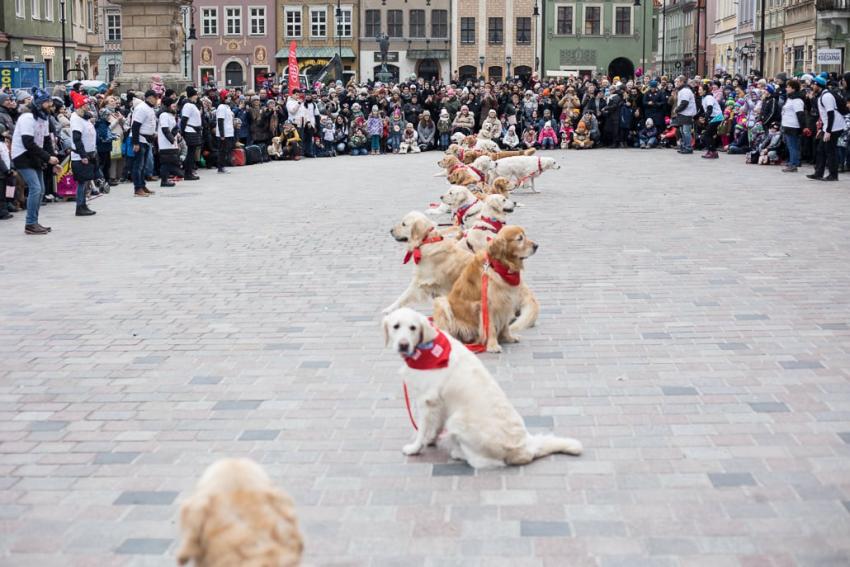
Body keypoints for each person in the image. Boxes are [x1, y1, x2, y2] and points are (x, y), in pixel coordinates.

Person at [11, 89, 60, 234]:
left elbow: (46, 141)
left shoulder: (43, 118)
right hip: (22, 155)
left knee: (41, 190)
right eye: (47, 102)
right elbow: (28, 143)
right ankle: (30, 223)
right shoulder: (27, 118)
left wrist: (53, 159)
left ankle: (34, 221)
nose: (50, 104)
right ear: (38, 104)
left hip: (34, 156)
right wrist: (47, 157)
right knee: (36, 188)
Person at [807, 76, 845, 181]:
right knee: (820, 150)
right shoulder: (822, 95)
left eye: (813, 84)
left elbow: (830, 113)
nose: (812, 86)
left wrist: (828, 131)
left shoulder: (826, 96)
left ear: (818, 85)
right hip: (828, 126)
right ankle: (818, 173)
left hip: (834, 127)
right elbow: (823, 115)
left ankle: (833, 175)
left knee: (830, 151)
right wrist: (822, 128)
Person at [70, 100, 99, 216]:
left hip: (89, 154)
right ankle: (80, 206)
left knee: (86, 181)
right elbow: (77, 139)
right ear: (79, 107)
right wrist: (83, 155)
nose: (88, 107)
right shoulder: (76, 119)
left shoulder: (84, 118)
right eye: (85, 105)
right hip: (80, 156)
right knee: (81, 182)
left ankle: (83, 204)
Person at [131, 90, 159, 196]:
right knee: (138, 165)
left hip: (147, 140)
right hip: (140, 140)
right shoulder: (141, 108)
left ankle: (142, 185)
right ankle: (137, 188)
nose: (156, 100)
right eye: (155, 98)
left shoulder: (150, 108)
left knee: (143, 166)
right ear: (149, 98)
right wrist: (135, 143)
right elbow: (135, 126)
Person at [781, 79, 806, 173]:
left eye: (788, 87)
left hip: (793, 125)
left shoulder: (797, 100)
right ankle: (792, 161)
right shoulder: (790, 98)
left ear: (793, 88)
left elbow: (800, 114)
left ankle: (793, 164)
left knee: (793, 146)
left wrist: (803, 127)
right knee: (790, 145)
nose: (786, 88)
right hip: (787, 124)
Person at [157, 97, 182, 187]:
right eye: (173, 104)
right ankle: (164, 180)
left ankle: (168, 178)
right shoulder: (163, 115)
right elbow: (165, 130)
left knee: (169, 161)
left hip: (171, 143)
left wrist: (176, 135)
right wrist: (171, 139)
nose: (175, 106)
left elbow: (174, 128)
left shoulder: (171, 115)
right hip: (165, 143)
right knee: (166, 162)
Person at [180, 86, 202, 180]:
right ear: (193, 96)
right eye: (196, 95)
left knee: (192, 153)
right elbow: (184, 119)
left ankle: (189, 172)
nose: (197, 97)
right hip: (190, 130)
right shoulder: (188, 105)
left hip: (193, 130)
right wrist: (183, 132)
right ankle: (188, 173)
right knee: (190, 153)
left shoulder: (192, 105)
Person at [698, 82, 722, 159]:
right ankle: (711, 151)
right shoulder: (703, 98)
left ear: (705, 91)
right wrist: (695, 116)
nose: (699, 91)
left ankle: (713, 152)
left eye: (700, 90)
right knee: (709, 135)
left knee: (706, 135)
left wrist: (705, 119)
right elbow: (702, 110)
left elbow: (709, 109)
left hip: (717, 117)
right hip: (713, 117)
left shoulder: (709, 98)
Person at [674, 76, 697, 154]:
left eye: (677, 81)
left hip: (687, 114)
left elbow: (684, 103)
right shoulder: (682, 90)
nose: (675, 83)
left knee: (686, 131)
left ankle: (688, 147)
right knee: (682, 131)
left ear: (681, 82)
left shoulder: (685, 91)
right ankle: (684, 146)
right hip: (683, 114)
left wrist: (676, 110)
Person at [215, 92, 235, 174]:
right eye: (227, 97)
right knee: (222, 150)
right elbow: (220, 121)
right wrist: (222, 134)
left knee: (226, 150)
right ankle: (220, 167)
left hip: (229, 132)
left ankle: (223, 166)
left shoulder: (227, 107)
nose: (229, 98)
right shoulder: (221, 107)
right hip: (224, 133)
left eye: (230, 97)